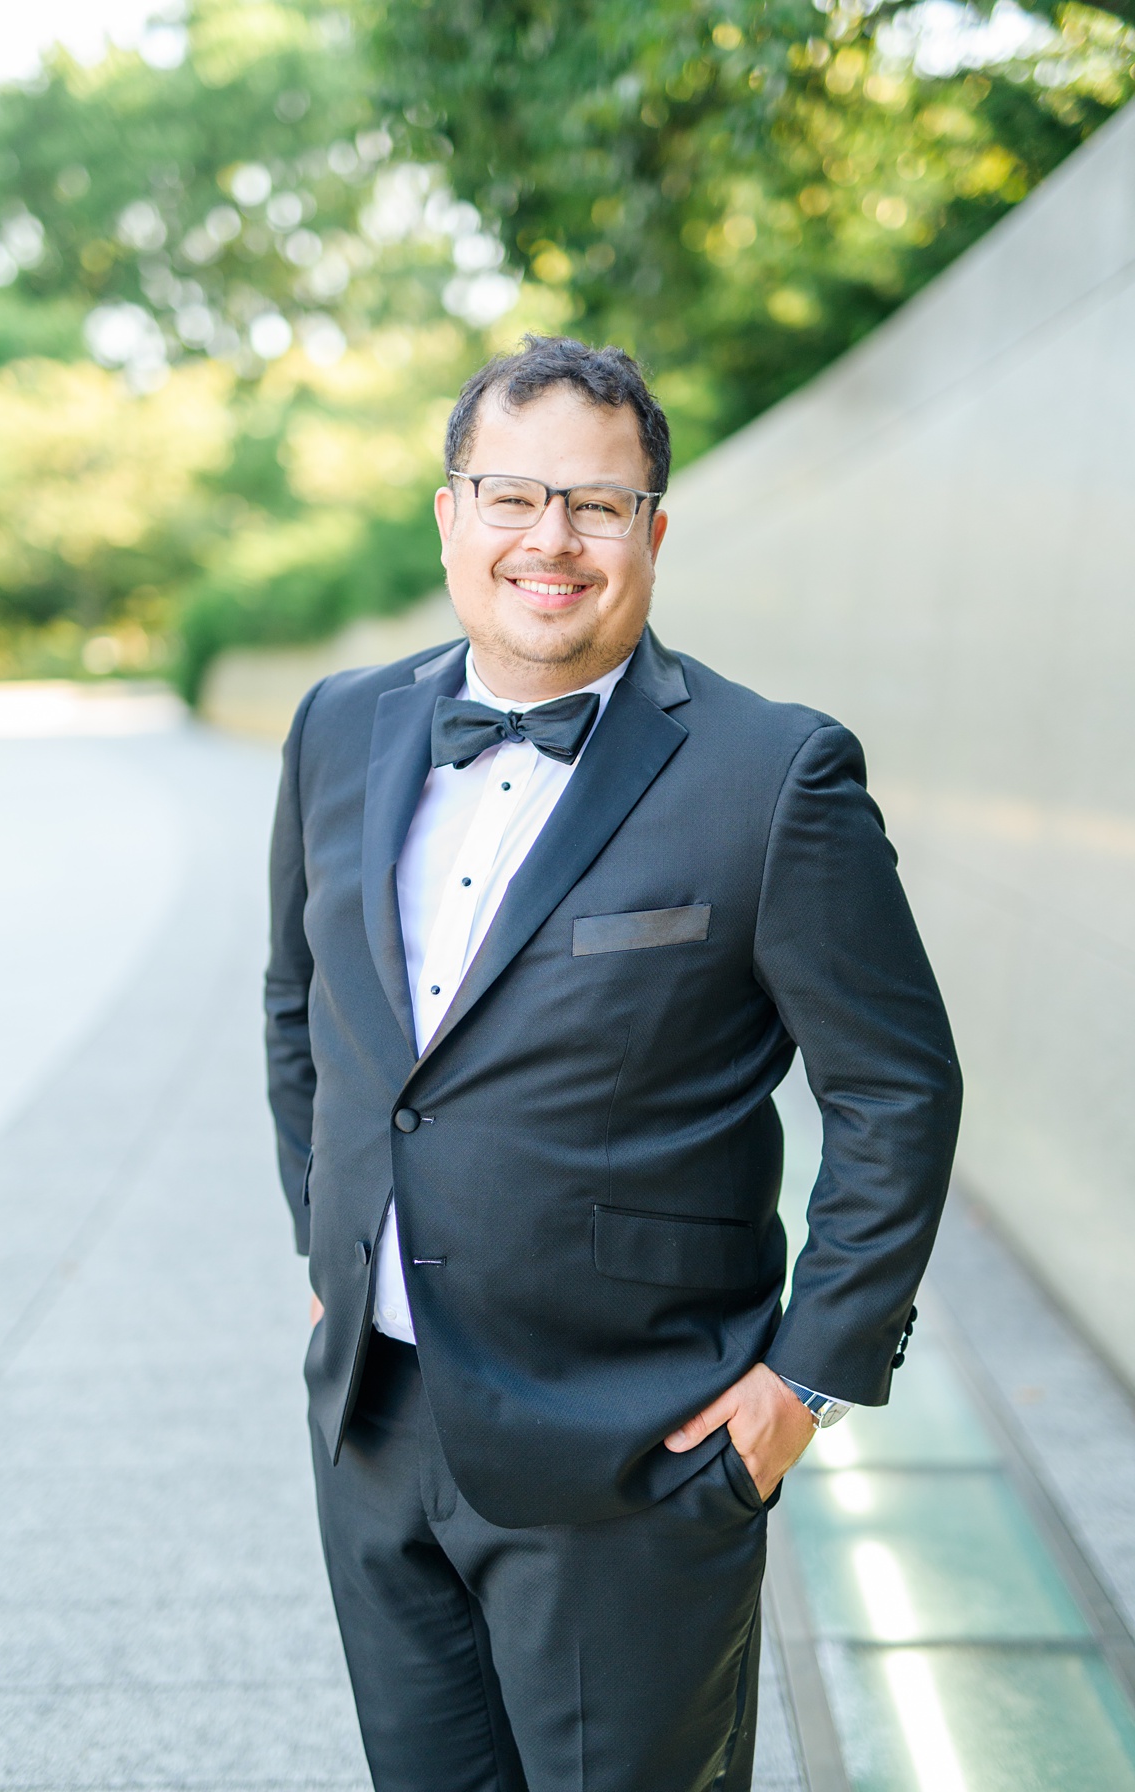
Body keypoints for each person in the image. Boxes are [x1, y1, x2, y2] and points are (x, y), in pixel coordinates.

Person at [263, 337, 960, 1789]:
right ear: (450, 513)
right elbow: (302, 1010)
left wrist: (804, 1387)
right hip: (377, 1422)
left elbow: (896, 1088)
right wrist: (333, 1249)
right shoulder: (341, 726)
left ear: (653, 529)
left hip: (638, 1453)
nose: (550, 542)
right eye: (512, 497)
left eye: (596, 504)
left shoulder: (775, 773)